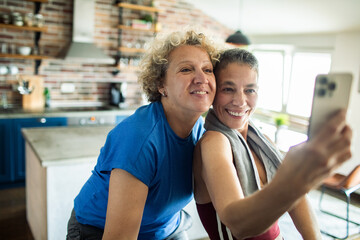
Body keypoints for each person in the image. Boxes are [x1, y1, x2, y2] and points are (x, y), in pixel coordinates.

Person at [66, 29, 220, 239]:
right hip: (96, 229)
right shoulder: (139, 138)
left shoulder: (203, 130)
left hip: (164, 227)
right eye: (186, 69)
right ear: (161, 85)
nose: (201, 78)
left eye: (208, 69)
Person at [193, 48, 353, 239]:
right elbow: (239, 226)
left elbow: (297, 200)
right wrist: (297, 181)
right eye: (228, 89)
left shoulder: (262, 141)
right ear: (213, 92)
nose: (240, 101)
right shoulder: (214, 142)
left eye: (249, 90)